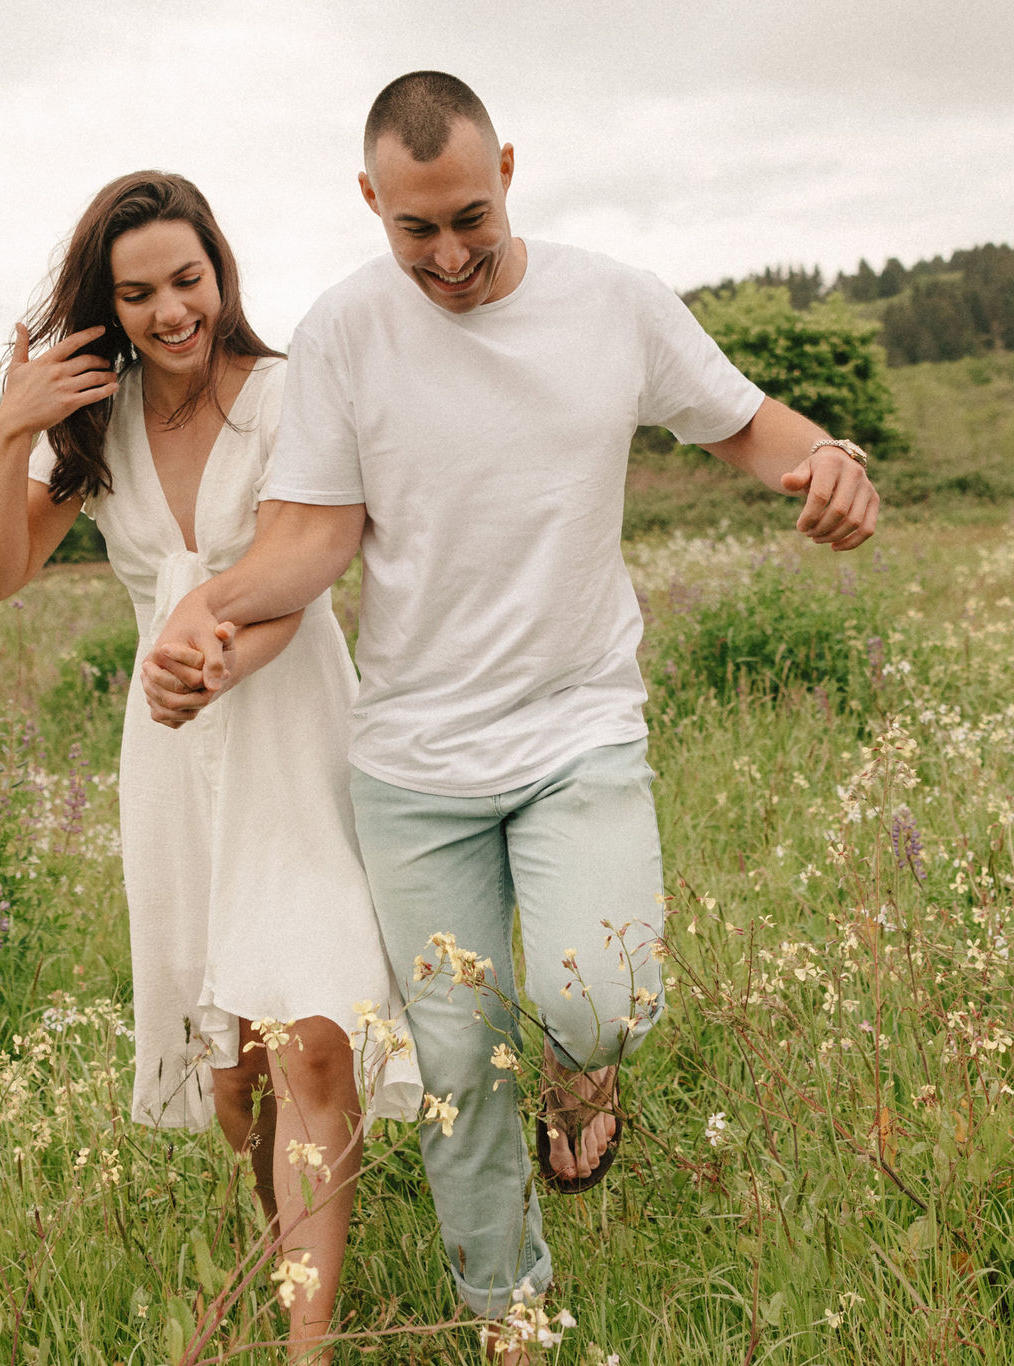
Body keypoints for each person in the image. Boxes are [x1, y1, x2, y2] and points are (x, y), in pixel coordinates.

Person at [142, 72, 878, 1357]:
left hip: (576, 723)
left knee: (598, 996)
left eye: (469, 216)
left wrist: (833, 465)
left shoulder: (614, 303)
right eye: (414, 228)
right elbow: (310, 543)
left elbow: (753, 428)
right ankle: (508, 1307)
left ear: (510, 172)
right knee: (457, 1068)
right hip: (413, 764)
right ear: (369, 202)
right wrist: (203, 618)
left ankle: (585, 1062)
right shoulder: (344, 335)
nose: (449, 253)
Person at [0, 170, 419, 1362]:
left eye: (187, 279)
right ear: (106, 307)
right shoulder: (97, 427)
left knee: (312, 1034)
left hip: (292, 724)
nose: (172, 311)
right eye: (139, 292)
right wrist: (11, 427)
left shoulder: (279, 396)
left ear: (220, 270)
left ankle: (302, 1346)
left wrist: (213, 649)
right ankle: (294, 1266)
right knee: (236, 1080)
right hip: (172, 756)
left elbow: (306, 564)